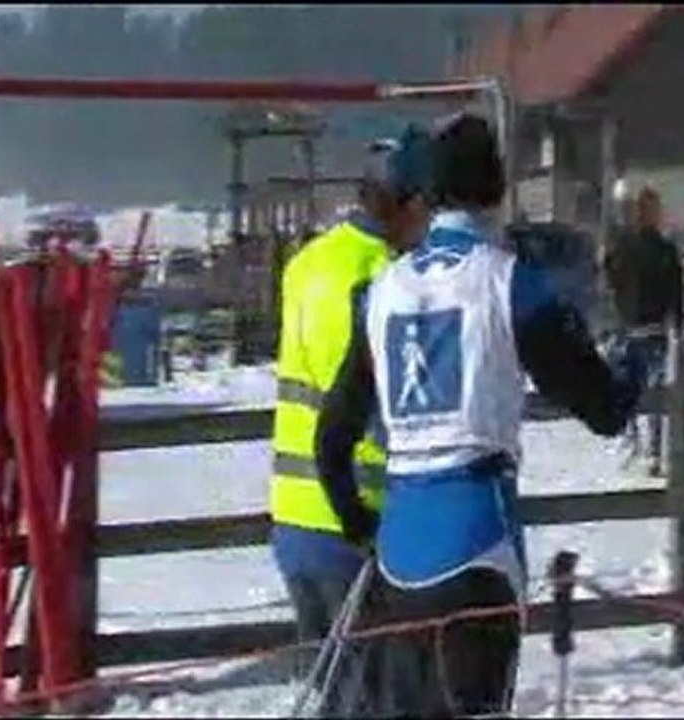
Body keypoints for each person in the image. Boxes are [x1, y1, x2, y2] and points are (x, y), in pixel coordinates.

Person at [315, 113, 647, 718]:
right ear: (498, 192)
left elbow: (331, 439)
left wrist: (359, 524)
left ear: (434, 193)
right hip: (477, 541)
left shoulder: (382, 291)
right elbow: (602, 407)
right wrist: (638, 365)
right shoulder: (510, 281)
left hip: (400, 550)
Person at [269, 126, 433, 715]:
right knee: (375, 700)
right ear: (406, 200)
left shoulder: (311, 261)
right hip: (355, 516)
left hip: (296, 516)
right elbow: (365, 407)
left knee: (337, 694)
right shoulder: (374, 277)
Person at [604, 185, 684, 475]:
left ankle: (650, 449)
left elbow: (676, 290)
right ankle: (636, 442)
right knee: (634, 390)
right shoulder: (627, 246)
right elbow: (609, 282)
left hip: (649, 330)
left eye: (651, 209)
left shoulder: (660, 249)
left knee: (649, 392)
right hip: (633, 329)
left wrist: (678, 323)